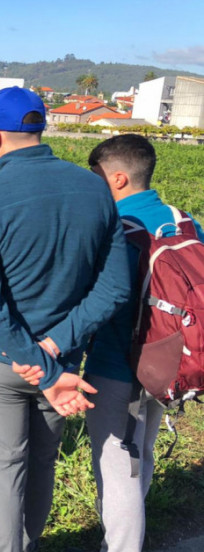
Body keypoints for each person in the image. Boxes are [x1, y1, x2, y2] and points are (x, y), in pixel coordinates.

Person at [0, 87, 132, 552]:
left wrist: (31, 358)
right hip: (63, 364)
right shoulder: (95, 189)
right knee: (40, 466)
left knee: (3, 476)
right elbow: (115, 287)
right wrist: (55, 351)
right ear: (39, 129)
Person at [83, 134, 203, 551]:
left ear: (117, 178)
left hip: (118, 364)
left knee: (117, 469)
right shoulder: (184, 220)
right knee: (141, 454)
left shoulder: (113, 227)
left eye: (95, 176)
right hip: (170, 362)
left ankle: (120, 547)